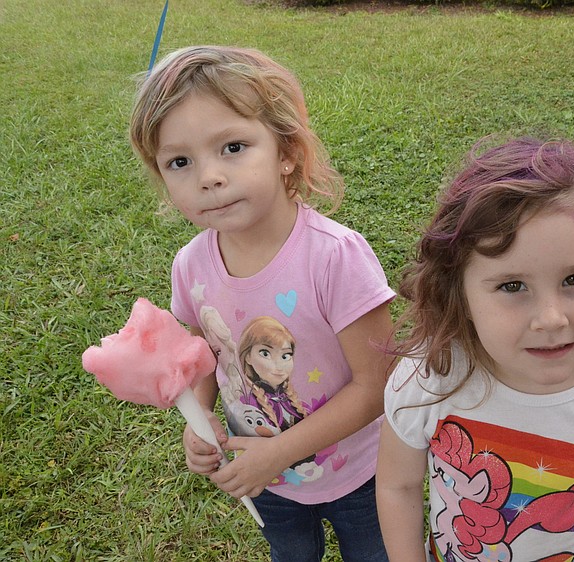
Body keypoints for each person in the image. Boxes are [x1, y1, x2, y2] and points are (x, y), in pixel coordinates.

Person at [129, 45, 395, 562]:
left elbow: (377, 383)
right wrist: (198, 415)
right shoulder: (190, 265)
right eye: (179, 161)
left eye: (232, 146)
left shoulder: (334, 258)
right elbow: (204, 357)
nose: (208, 176)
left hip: (360, 471)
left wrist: (281, 451)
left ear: (286, 150)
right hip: (266, 477)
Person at [376, 137, 574, 562]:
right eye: (512, 286)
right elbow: (397, 484)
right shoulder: (430, 378)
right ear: (458, 293)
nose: (550, 318)